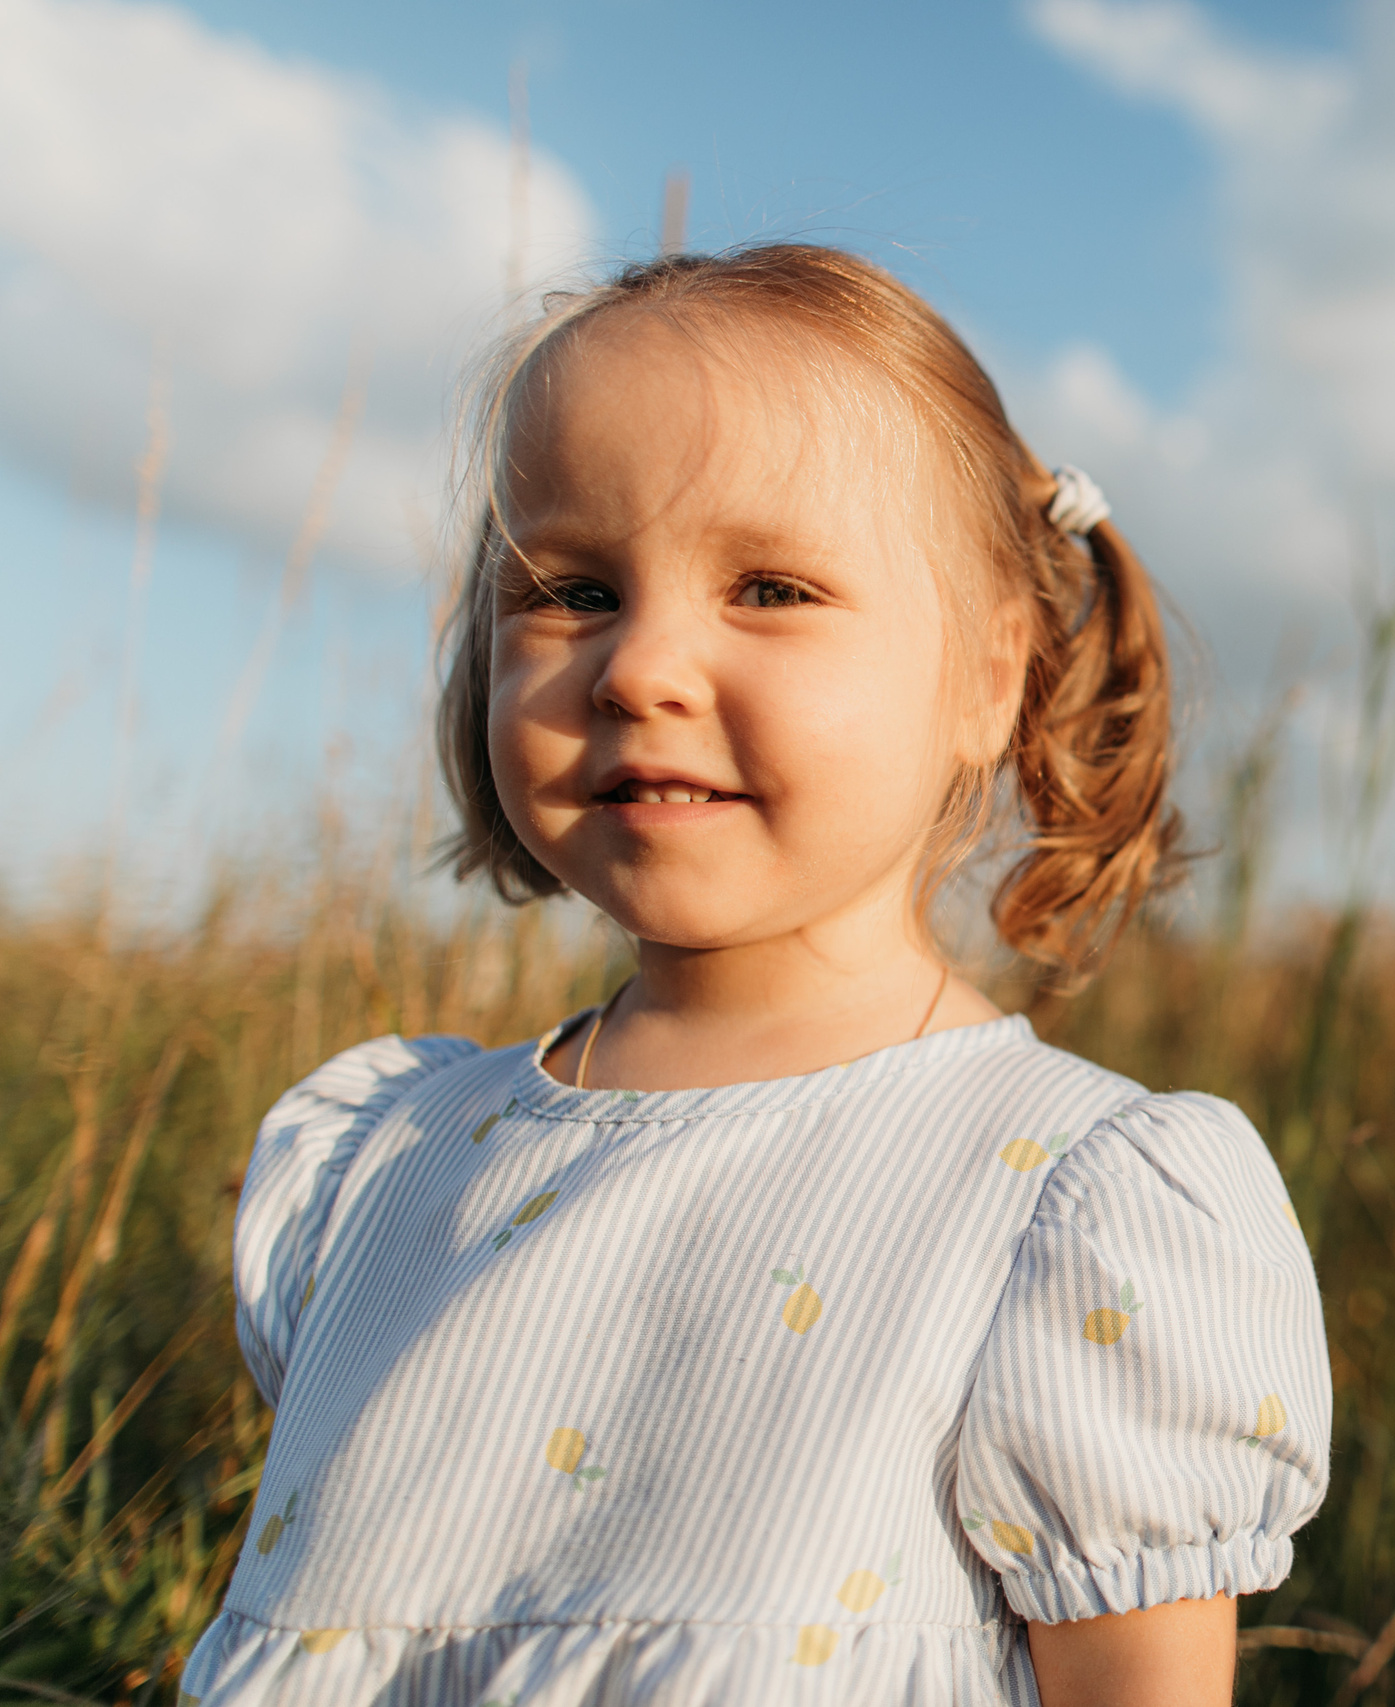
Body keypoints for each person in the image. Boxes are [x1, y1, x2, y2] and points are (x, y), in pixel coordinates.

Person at [178, 245, 1331, 1707]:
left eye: (772, 588)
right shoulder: (380, 1162)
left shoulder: (1069, 1207)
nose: (637, 667)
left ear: (991, 678)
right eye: (573, 590)